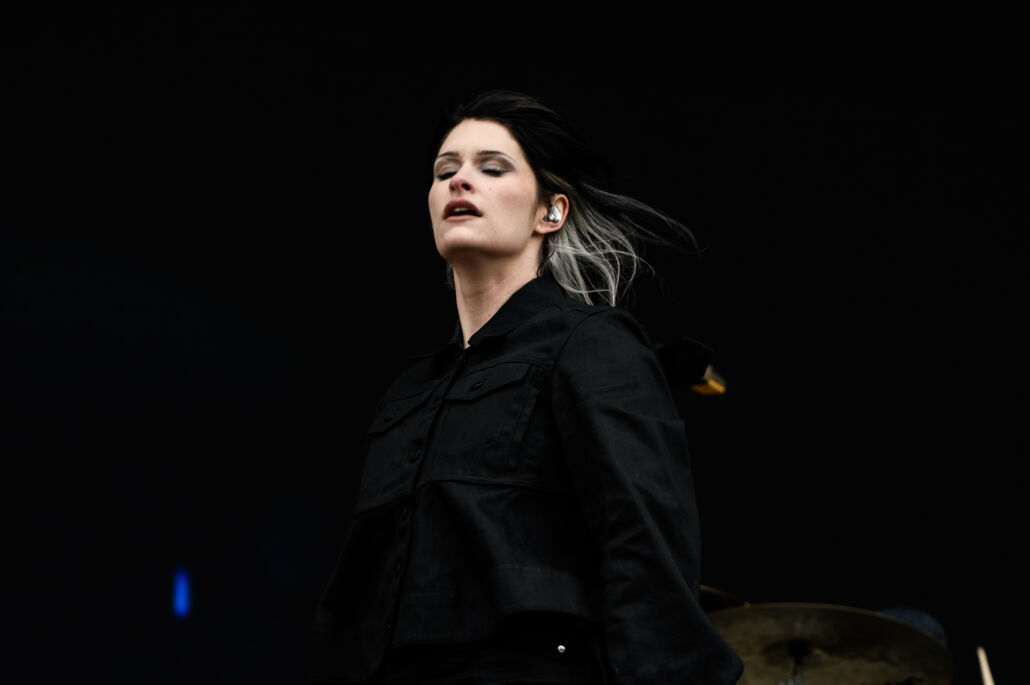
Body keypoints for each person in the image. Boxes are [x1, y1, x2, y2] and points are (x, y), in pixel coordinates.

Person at [308, 90, 743, 684]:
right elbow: (354, 596)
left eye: (492, 168)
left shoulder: (591, 343)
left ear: (551, 213)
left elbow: (645, 547)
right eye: (445, 170)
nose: (460, 181)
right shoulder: (407, 393)